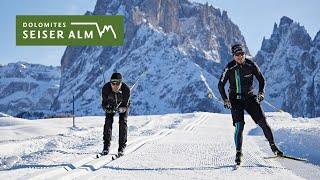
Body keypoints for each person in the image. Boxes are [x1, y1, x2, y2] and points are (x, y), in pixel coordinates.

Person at [218, 44, 283, 165]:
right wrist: (225, 99)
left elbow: (262, 79)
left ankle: (274, 147)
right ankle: (238, 153)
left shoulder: (251, 64)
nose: (240, 56)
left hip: (249, 97)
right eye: (237, 55)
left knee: (263, 122)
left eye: (242, 54)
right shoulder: (230, 67)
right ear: (233, 56)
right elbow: (220, 84)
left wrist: (261, 93)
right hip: (235, 99)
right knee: (239, 125)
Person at [101, 72, 131, 157]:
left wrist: (122, 109)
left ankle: (121, 147)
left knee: (122, 122)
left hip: (122, 105)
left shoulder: (126, 90)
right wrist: (107, 108)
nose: (115, 85)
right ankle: (106, 146)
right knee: (108, 121)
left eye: (117, 83)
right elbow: (103, 103)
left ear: (121, 83)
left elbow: (126, 105)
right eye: (112, 83)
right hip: (111, 104)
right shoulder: (105, 89)